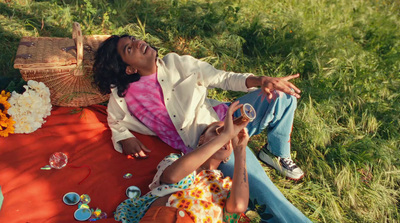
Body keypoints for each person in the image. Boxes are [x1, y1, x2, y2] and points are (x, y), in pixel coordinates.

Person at [93, 35, 311, 222]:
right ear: (129, 68)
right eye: (129, 48)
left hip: (224, 115)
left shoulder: (177, 63)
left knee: (281, 95)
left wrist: (262, 80)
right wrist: (124, 136)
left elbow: (222, 78)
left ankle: (274, 152)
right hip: (213, 145)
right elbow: (115, 121)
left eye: (133, 39)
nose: (138, 42)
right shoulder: (124, 96)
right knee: (264, 193)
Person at [114, 102, 250, 223]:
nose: (223, 137)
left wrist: (240, 151)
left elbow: (239, 205)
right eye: (217, 131)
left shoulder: (226, 184)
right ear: (201, 139)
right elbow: (172, 176)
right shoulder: (176, 160)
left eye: (229, 138)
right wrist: (225, 136)